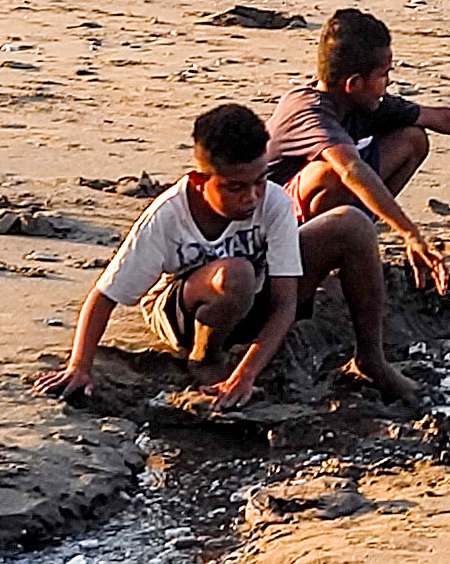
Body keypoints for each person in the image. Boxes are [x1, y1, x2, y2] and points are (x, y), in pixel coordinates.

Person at [33, 104, 416, 408]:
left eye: (259, 181)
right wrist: (79, 366)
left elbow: (285, 303)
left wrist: (246, 374)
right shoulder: (168, 216)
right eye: (235, 188)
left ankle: (370, 359)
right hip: (190, 310)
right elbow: (103, 297)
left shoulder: (272, 201)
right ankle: (206, 358)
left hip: (253, 299)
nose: (251, 197)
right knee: (236, 274)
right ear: (200, 181)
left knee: (352, 224)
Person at [266, 8, 450, 293]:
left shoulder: (366, 103)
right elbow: (350, 170)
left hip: (322, 206)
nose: (387, 84)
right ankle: (324, 252)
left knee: (413, 139)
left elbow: (440, 118)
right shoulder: (308, 110)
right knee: (332, 172)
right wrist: (409, 232)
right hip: (271, 223)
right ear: (353, 83)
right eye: (383, 76)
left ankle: (355, 236)